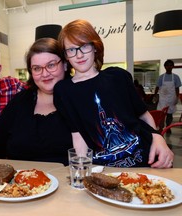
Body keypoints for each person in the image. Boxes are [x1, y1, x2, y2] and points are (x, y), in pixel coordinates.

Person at [53, 19, 174, 168]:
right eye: (71, 49)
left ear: (95, 47)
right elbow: (78, 135)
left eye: (84, 46)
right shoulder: (63, 91)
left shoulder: (118, 76)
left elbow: (143, 115)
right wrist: (82, 170)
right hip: (104, 170)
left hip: (145, 159)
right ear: (65, 55)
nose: (79, 55)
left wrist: (158, 139)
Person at [0, 38, 73, 165]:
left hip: (68, 181)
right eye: (37, 68)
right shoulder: (19, 102)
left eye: (51, 65)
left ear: (65, 64)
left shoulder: (80, 100)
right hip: (20, 182)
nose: (45, 73)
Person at [154, 60, 181, 132]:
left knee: (169, 114)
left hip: (172, 98)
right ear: (165, 67)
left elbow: (177, 88)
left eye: (170, 65)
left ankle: (168, 127)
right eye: (167, 65)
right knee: (161, 114)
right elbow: (157, 87)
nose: (169, 67)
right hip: (162, 98)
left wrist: (177, 97)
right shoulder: (161, 77)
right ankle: (161, 128)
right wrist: (155, 96)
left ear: (173, 66)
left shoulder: (176, 77)